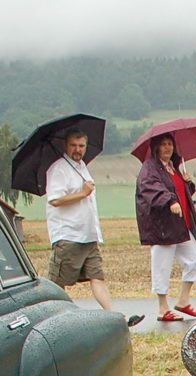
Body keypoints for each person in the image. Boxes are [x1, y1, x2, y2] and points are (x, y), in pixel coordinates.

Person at [45, 128, 141, 326]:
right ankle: (55, 319)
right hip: (68, 235)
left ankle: (117, 317)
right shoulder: (58, 169)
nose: (78, 149)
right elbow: (55, 200)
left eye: (81, 146)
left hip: (88, 235)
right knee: (58, 283)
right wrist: (82, 193)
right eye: (74, 145)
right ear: (66, 145)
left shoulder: (81, 167)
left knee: (97, 277)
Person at [134, 134, 196, 323]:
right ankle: (163, 308)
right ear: (155, 148)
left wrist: (188, 184)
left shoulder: (173, 167)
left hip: (180, 224)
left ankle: (183, 300)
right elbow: (150, 188)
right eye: (163, 145)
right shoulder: (150, 168)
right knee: (162, 267)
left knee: (195, 260)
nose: (167, 148)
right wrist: (169, 201)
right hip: (162, 226)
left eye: (170, 144)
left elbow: (180, 193)